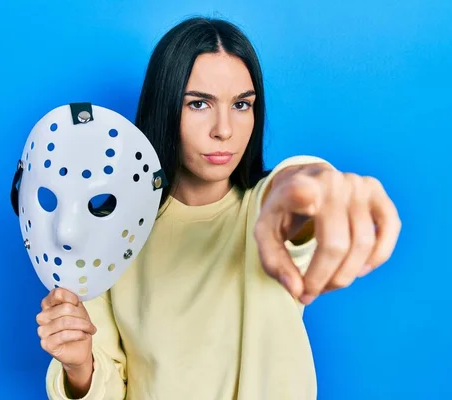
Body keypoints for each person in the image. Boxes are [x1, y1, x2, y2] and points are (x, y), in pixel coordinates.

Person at [36, 16, 401, 400]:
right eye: (199, 104)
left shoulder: (265, 211)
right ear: (164, 107)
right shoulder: (111, 232)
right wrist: (79, 367)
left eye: (242, 104)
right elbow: (108, 386)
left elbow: (293, 193)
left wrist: (318, 187)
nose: (224, 129)